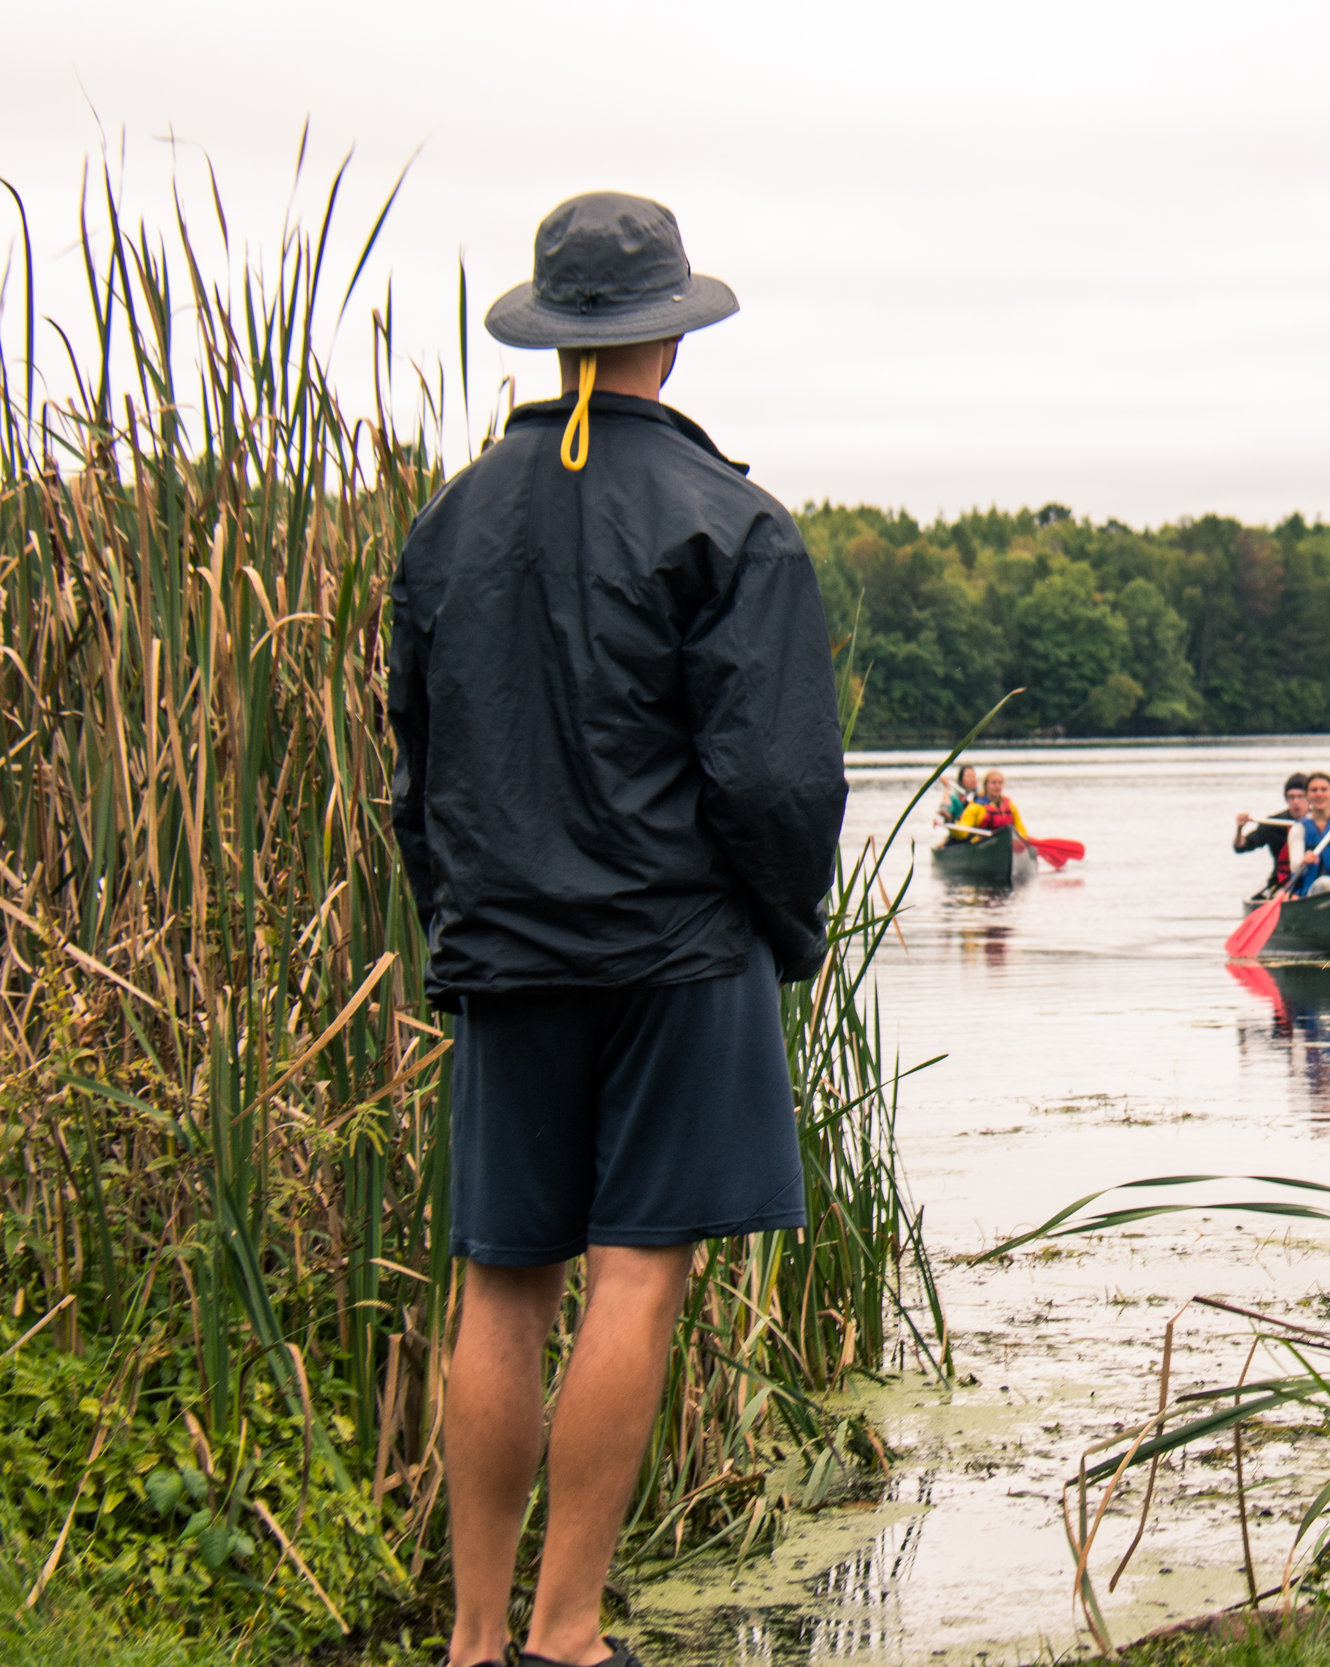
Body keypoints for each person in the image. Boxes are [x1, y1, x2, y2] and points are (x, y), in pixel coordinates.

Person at [388, 192, 847, 1667]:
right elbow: (774, 777)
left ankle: (471, 1641)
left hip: (505, 947)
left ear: (553, 335)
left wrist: (461, 918)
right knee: (637, 1264)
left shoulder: (448, 521)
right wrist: (783, 930)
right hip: (677, 948)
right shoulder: (733, 518)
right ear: (669, 339)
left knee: (499, 1273)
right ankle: (567, 1634)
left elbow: (418, 760)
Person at [1234, 772, 1310, 898]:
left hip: (1312, 879)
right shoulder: (1273, 823)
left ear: (1309, 798)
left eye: (1301, 796)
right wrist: (1239, 829)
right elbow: (1241, 846)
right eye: (1291, 797)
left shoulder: (1320, 821)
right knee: (1285, 897)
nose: (1296, 802)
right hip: (1282, 883)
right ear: (1286, 799)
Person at [953, 768, 1028, 843]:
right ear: (986, 785)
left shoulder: (1011, 805)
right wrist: (953, 827)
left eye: (1000, 783)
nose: (997, 786)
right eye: (993, 783)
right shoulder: (976, 806)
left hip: (1006, 843)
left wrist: (1020, 840)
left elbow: (1021, 830)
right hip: (983, 844)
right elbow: (962, 832)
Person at [938, 764, 980, 841]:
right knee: (953, 801)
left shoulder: (981, 794)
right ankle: (947, 815)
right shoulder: (956, 798)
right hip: (961, 831)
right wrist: (946, 787)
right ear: (961, 781)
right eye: (969, 776)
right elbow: (947, 801)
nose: (973, 779)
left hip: (979, 831)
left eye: (974, 776)